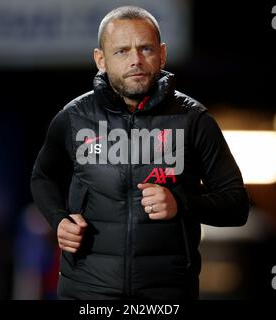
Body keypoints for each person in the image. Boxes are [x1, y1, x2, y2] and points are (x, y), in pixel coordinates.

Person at [31, 6, 250, 300]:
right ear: (101, 60)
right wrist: (59, 220)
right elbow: (42, 176)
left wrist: (180, 203)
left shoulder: (194, 120)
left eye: (145, 49)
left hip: (167, 294)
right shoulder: (74, 118)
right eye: (121, 51)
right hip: (86, 293)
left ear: (162, 54)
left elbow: (237, 205)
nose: (135, 60)